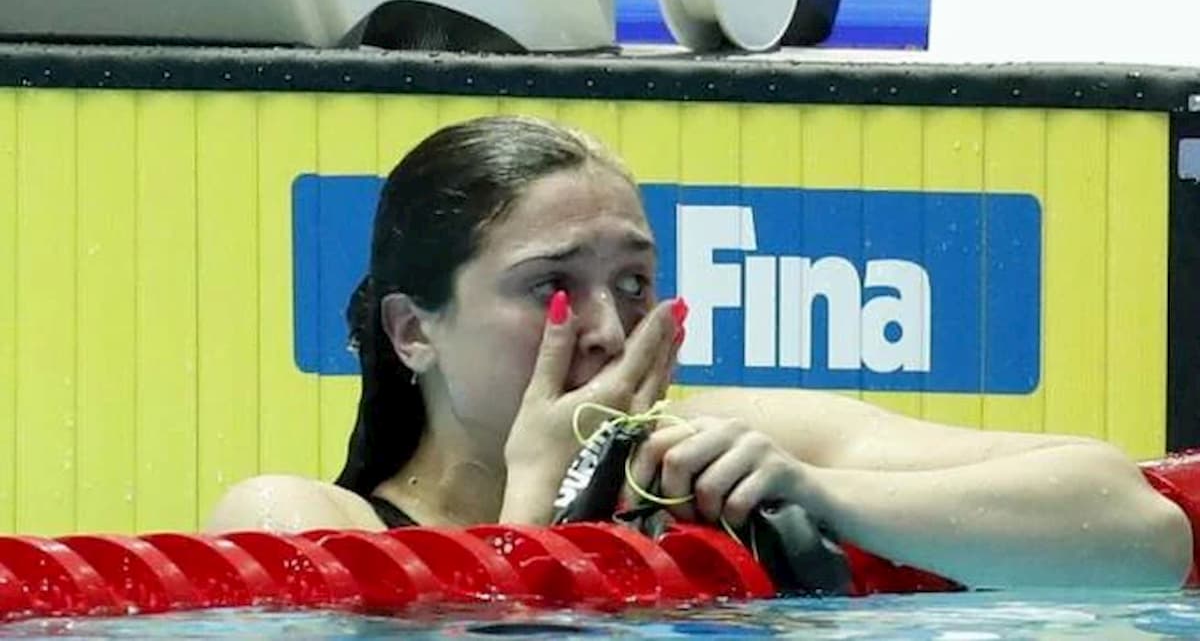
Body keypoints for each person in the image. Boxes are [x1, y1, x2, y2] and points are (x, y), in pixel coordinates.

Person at [208, 115, 1192, 589]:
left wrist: (829, 495)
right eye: (550, 286)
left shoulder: (720, 445)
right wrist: (538, 510)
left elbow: (1140, 537)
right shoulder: (301, 520)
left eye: (633, 282)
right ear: (412, 330)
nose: (605, 327)